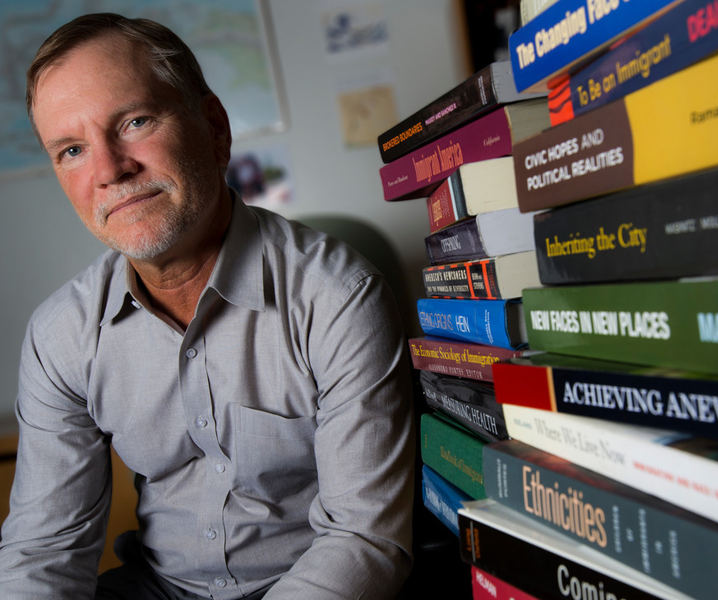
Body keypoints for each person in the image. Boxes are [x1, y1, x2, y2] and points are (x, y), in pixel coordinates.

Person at [0, 13, 415, 600]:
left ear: (215, 127)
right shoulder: (60, 337)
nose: (109, 170)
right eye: (71, 150)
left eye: (135, 121)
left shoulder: (338, 297)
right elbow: (44, 551)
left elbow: (363, 538)